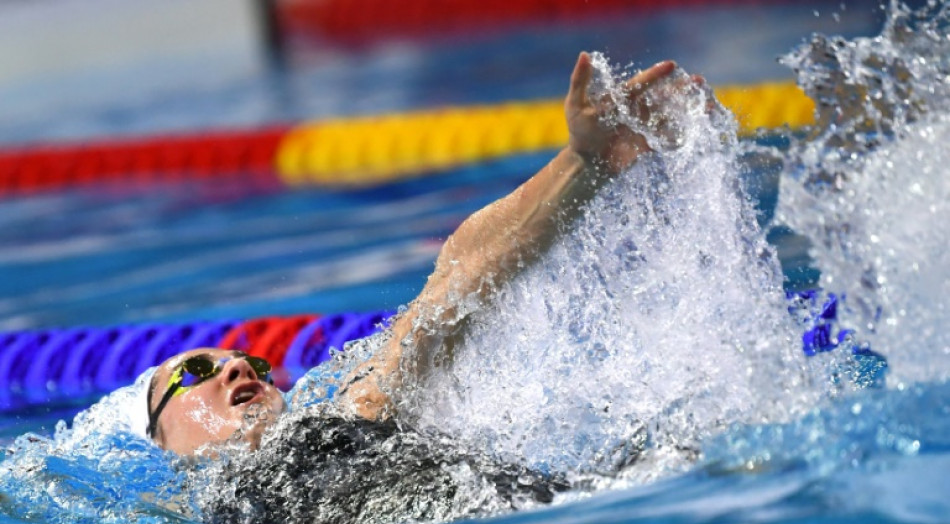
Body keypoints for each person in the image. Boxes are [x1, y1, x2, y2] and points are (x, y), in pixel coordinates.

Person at [144, 52, 693, 456]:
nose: (241, 364)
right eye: (195, 371)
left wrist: (582, 166)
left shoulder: (341, 423)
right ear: (163, 441)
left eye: (256, 364)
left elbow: (457, 279)